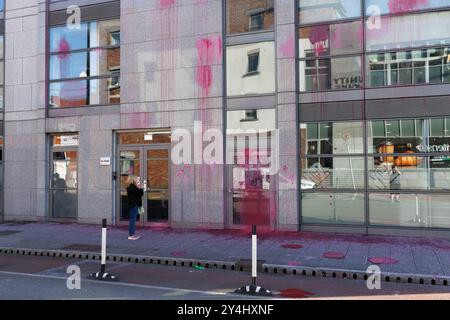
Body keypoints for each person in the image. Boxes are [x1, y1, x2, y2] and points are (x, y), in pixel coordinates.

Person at [126, 175, 144, 240]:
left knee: (132, 220)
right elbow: (140, 194)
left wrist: (139, 188)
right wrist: (141, 188)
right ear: (133, 180)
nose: (137, 180)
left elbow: (137, 195)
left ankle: (131, 234)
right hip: (134, 205)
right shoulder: (133, 187)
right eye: (136, 179)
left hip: (132, 205)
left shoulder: (130, 187)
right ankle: (131, 235)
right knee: (132, 220)